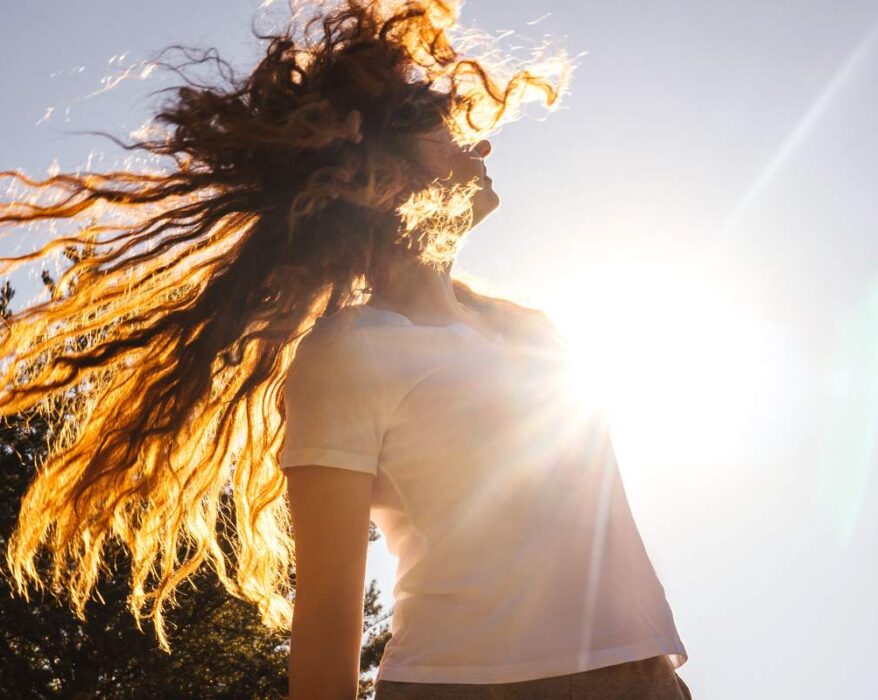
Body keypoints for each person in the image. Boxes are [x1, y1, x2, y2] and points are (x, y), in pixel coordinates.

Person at [0, 1, 690, 698]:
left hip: (644, 675)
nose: (477, 147)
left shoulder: (527, 326)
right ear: (376, 173)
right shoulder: (348, 353)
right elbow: (328, 616)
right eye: (443, 133)